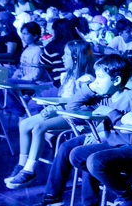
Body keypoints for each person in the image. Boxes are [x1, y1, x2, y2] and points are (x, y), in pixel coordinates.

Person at [27, 55, 132, 206]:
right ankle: (53, 196)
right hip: (112, 140)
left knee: (90, 154)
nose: (96, 82)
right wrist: (89, 88)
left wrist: (102, 134)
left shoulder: (130, 100)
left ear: (116, 80)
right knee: (68, 148)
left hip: (130, 147)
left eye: (100, 77)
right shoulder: (106, 97)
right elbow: (72, 107)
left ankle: (94, 201)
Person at [5, 40, 95, 188]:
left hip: (75, 117)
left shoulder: (86, 79)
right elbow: (62, 98)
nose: (62, 58)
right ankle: (22, 164)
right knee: (25, 124)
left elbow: (80, 103)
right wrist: (51, 107)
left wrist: (56, 109)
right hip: (61, 112)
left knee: (39, 127)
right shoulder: (67, 77)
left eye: (66, 55)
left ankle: (29, 170)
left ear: (76, 58)